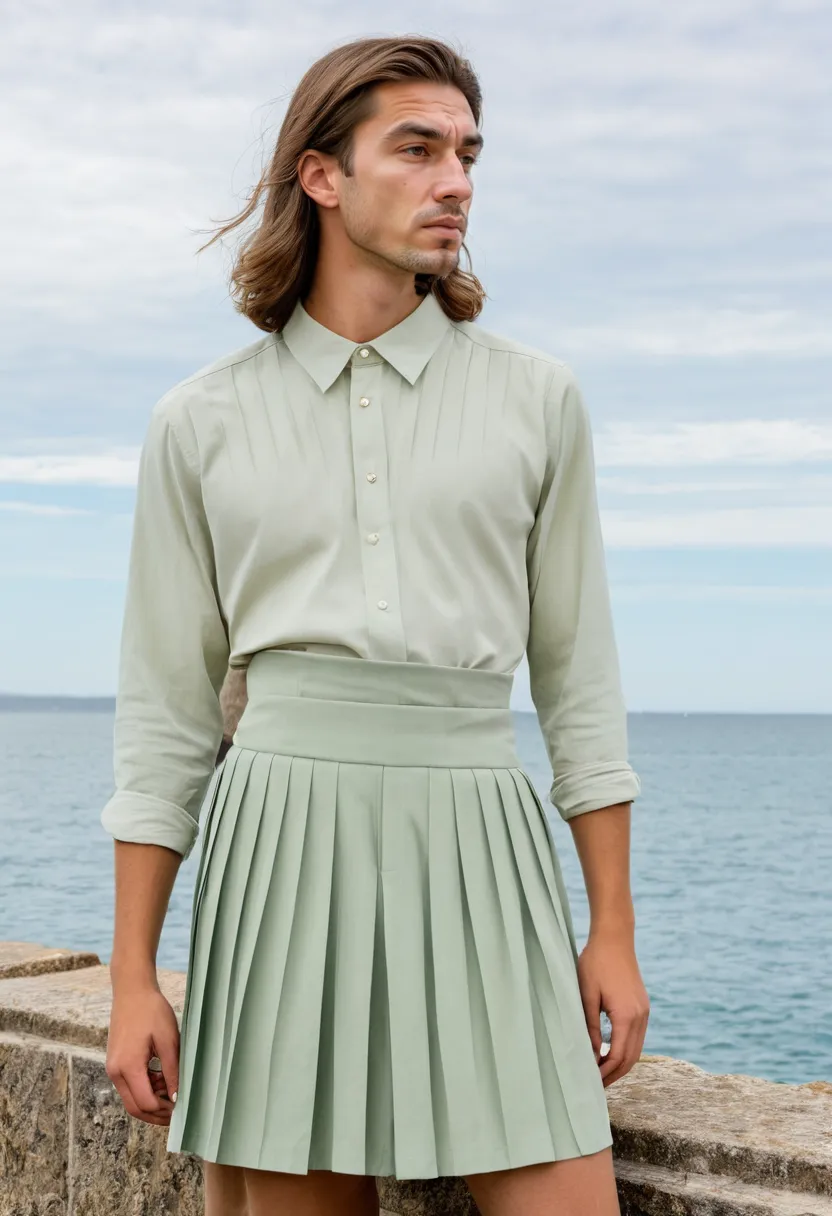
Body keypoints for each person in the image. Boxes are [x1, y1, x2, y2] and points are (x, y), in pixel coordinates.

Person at [101, 33, 649, 1216]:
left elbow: (579, 682)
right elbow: (164, 718)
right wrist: (134, 975)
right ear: (322, 176)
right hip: (277, 851)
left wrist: (610, 928)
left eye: (467, 153)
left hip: (483, 842)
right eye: (417, 148)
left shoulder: (534, 398)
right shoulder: (199, 423)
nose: (455, 180)